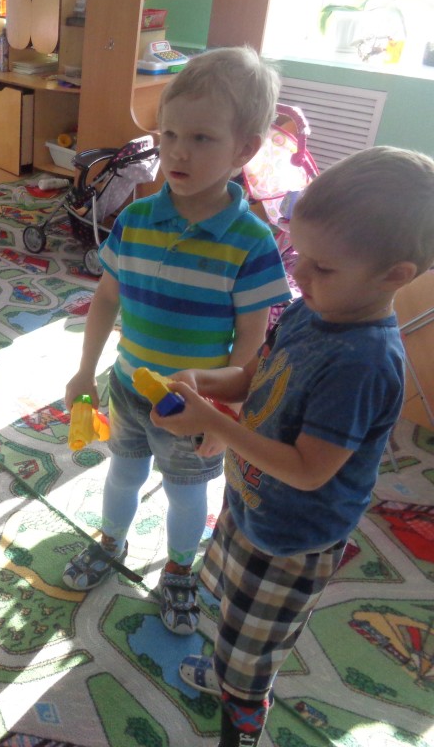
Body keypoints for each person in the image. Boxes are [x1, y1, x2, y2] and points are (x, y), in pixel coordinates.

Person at [151, 145, 434, 747]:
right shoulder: (310, 311)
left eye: (322, 268)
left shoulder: (364, 363)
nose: (299, 276)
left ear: (396, 276)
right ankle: (227, 672)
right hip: (251, 502)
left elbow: (309, 471)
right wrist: (207, 382)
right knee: (231, 613)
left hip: (294, 539)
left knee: (252, 659)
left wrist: (220, 427)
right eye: (300, 256)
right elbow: (255, 377)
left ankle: (241, 721)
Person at [60, 46, 292, 637]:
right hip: (128, 386)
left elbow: (252, 339)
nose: (178, 151)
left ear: (244, 150)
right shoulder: (135, 220)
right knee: (123, 473)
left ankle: (180, 568)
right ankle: (111, 541)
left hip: (195, 405)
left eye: (202, 138)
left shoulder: (251, 241)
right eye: (169, 134)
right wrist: (85, 370)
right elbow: (105, 300)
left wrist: (225, 412)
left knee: (187, 496)